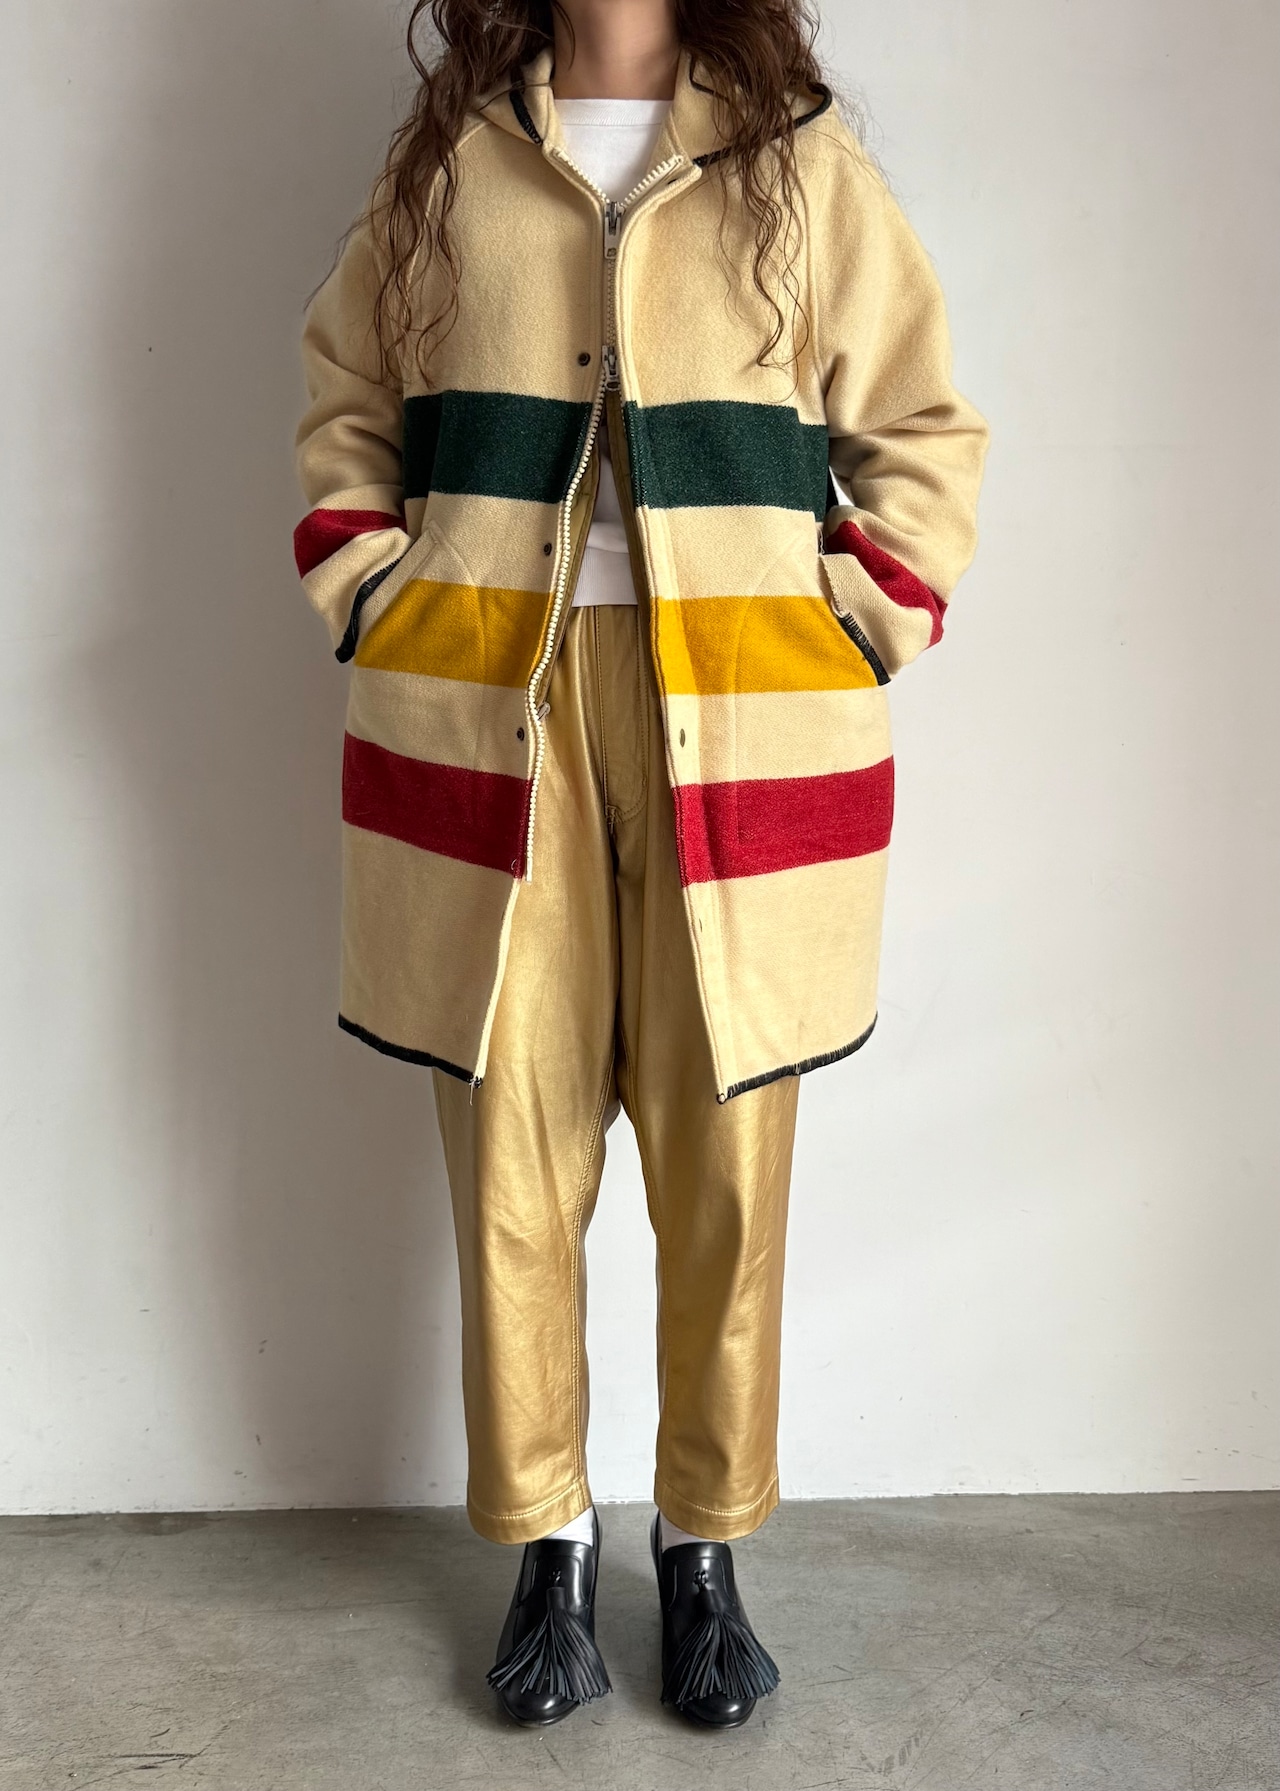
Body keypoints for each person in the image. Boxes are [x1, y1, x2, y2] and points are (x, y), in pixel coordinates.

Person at [293, 0, 987, 1732]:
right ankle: (545, 1539)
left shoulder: (799, 170)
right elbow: (346, 398)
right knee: (509, 1149)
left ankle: (702, 1543)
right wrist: (370, 588)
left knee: (727, 1156)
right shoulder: (452, 168)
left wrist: (859, 622)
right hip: (491, 711)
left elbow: (924, 429)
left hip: (736, 726)